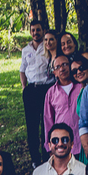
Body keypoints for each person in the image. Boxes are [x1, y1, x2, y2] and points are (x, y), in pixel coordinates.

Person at [21, 19, 53, 164]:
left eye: (38, 30)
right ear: (30, 32)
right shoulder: (25, 50)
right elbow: (22, 69)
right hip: (31, 90)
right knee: (32, 125)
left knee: (46, 123)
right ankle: (35, 159)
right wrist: (24, 87)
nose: (35, 33)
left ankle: (47, 156)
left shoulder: (47, 47)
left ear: (43, 31)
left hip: (46, 88)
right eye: (33, 30)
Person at [43, 54, 84, 157]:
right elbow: (48, 121)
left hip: (83, 142)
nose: (62, 69)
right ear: (54, 72)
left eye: (65, 64)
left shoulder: (81, 87)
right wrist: (49, 146)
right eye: (57, 67)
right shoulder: (51, 93)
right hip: (62, 144)